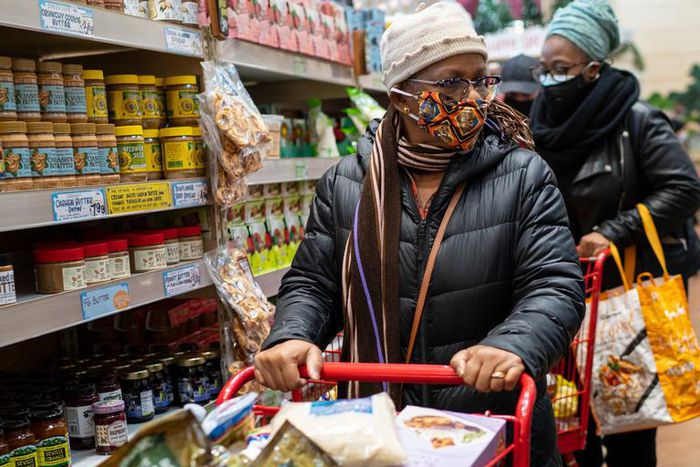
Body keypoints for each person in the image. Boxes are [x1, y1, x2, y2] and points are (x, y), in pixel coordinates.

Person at [255, 2, 585, 465]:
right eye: (451, 82)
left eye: (480, 80)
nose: (471, 97)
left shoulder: (524, 175)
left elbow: (555, 286)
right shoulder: (346, 184)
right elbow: (314, 282)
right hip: (376, 430)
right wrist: (291, 333)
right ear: (399, 96)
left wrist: (511, 344)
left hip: (490, 426)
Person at [528, 0, 700, 465]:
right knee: (570, 426)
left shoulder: (635, 120)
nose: (549, 81)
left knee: (627, 427)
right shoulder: (538, 123)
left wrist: (614, 231)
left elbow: (684, 187)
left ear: (593, 69)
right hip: (561, 293)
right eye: (543, 70)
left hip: (624, 291)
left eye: (561, 69)